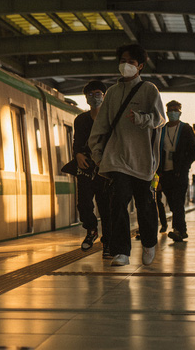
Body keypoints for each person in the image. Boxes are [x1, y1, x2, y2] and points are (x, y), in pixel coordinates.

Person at [88, 44, 166, 266]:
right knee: (118, 201)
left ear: (140, 66)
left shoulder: (150, 90)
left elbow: (160, 119)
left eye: (131, 62)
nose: (126, 65)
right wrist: (97, 153)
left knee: (145, 206)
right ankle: (121, 250)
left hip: (142, 161)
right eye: (123, 60)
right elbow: (100, 127)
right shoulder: (112, 93)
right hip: (117, 159)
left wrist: (142, 119)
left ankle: (149, 242)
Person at [73, 80, 112, 258]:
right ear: (86, 98)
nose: (94, 98)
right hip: (86, 168)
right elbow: (76, 143)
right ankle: (91, 229)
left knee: (106, 207)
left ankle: (108, 243)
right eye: (91, 95)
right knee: (84, 204)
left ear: (104, 96)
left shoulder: (111, 119)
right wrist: (78, 155)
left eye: (98, 94)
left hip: (105, 168)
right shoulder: (80, 120)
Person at [158, 100, 195, 242]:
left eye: (176, 109)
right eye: (170, 109)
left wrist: (184, 167)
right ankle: (182, 230)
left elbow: (193, 152)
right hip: (165, 173)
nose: (173, 112)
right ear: (167, 112)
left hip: (179, 172)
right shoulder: (162, 129)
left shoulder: (186, 129)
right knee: (173, 203)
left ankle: (178, 230)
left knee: (178, 201)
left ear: (180, 112)